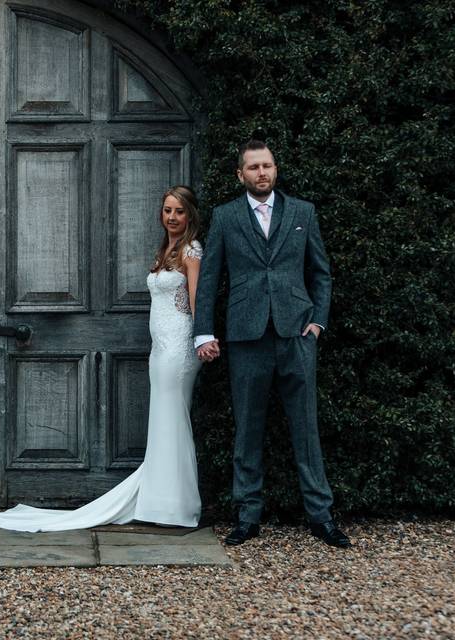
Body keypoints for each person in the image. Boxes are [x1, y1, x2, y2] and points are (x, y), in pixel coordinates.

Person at [0, 186, 205, 531]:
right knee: (163, 421)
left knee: (174, 419)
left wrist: (202, 338)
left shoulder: (192, 250)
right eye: (167, 210)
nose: (172, 217)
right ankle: (160, 502)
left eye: (179, 211)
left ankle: (175, 507)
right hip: (160, 348)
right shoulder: (167, 248)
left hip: (178, 347)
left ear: (190, 215)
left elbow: (196, 300)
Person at [193, 138, 351, 548]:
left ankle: (321, 515)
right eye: (253, 167)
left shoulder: (303, 212)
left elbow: (321, 274)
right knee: (247, 428)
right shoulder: (225, 217)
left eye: (267, 166)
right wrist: (204, 331)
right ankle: (247, 516)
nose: (261, 173)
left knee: (306, 427)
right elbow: (209, 280)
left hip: (296, 335)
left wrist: (316, 323)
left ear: (275, 169)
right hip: (246, 336)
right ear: (240, 174)